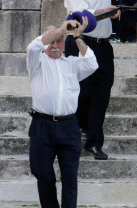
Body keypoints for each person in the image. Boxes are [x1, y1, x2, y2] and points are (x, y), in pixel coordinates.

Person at [64, 0, 131, 160]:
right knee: (82, 92)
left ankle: (94, 142)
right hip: (81, 44)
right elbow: (85, 15)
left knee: (102, 95)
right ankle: (77, 131)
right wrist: (108, 11)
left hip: (103, 46)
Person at [27, 19, 98, 208]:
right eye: (52, 42)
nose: (56, 45)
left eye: (60, 41)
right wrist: (61, 29)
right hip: (42, 125)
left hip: (68, 127)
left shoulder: (73, 64)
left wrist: (77, 36)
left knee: (69, 177)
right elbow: (33, 46)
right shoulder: (37, 62)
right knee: (43, 174)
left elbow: (91, 63)